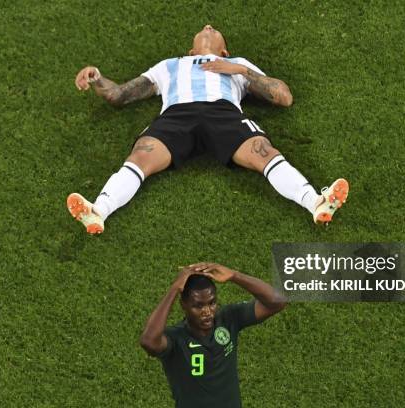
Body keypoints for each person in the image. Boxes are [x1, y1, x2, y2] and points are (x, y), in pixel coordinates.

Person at [67, 25, 349, 234]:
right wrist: (98, 78)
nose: (208, 26)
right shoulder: (171, 66)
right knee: (140, 157)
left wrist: (241, 72)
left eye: (214, 30)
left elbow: (284, 97)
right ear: (190, 52)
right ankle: (97, 212)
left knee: (264, 153)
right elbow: (119, 95)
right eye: (204, 28)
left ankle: (317, 203)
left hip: (223, 113)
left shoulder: (236, 64)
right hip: (177, 115)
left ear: (224, 51)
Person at [140, 263, 287, 408]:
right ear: (183, 305)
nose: (207, 312)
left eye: (212, 303)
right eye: (198, 306)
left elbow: (277, 301)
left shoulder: (229, 319)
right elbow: (148, 341)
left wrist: (235, 275)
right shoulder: (176, 339)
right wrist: (174, 288)